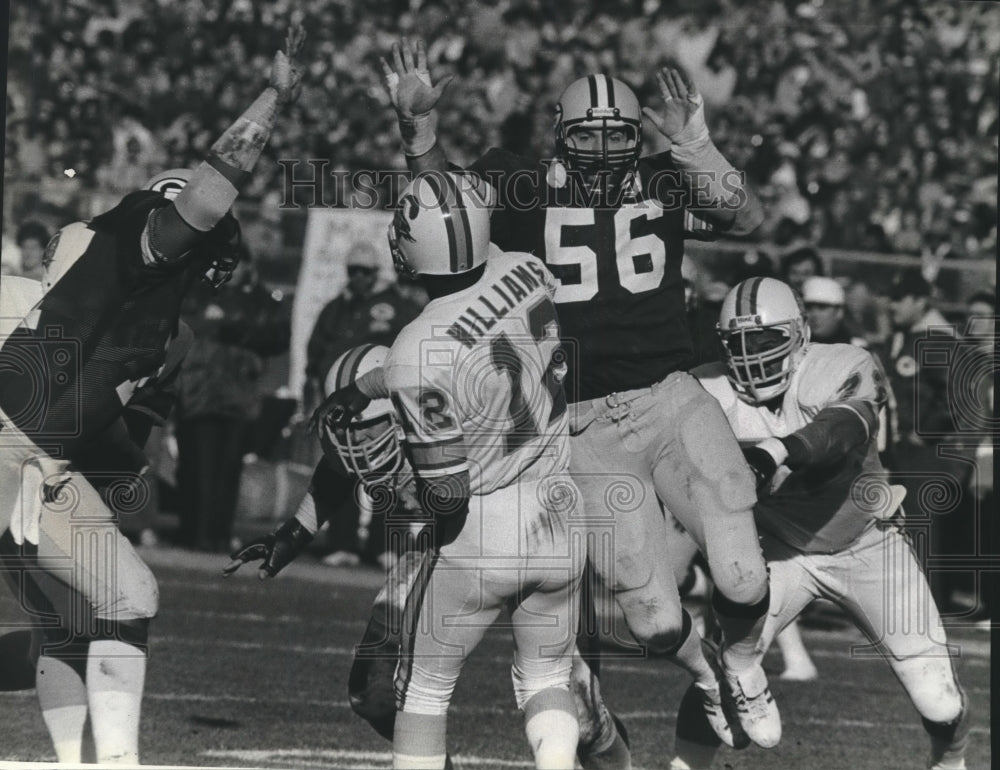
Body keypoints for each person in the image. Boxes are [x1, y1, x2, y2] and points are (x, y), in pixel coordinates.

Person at [381, 39, 779, 748]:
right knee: (654, 621)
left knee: (744, 578)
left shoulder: (665, 176)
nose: (600, 149)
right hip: (585, 423)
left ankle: (745, 663)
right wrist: (421, 138)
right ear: (559, 136)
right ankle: (708, 664)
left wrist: (697, 144)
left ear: (638, 139)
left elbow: (750, 219)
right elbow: (448, 212)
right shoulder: (523, 186)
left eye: (616, 135)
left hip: (671, 397)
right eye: (586, 135)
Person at [0, 27, 304, 764]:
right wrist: (274, 98)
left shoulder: (138, 298)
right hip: (13, 444)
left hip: (42, 456)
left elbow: (96, 407)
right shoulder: (150, 244)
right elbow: (207, 194)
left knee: (120, 600)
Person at [227, 339, 632, 770]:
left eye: (365, 431)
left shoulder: (456, 416)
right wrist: (292, 534)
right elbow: (336, 469)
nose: (355, 445)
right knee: (375, 693)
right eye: (346, 431)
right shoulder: (397, 415)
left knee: (583, 719)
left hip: (530, 532)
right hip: (442, 544)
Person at [317, 171, 590, 768]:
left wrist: (398, 483)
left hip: (485, 531)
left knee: (423, 692)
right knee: (545, 677)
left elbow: (446, 494)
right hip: (561, 510)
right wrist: (372, 382)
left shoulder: (418, 347)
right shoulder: (525, 268)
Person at [669, 277, 970, 770]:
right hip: (779, 550)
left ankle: (952, 761)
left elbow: (842, 430)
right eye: (741, 343)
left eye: (767, 340)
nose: (753, 355)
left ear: (801, 334)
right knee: (727, 674)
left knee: (939, 700)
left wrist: (776, 451)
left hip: (866, 544)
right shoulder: (706, 388)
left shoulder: (842, 364)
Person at [304, 241, 424, 567]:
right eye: (352, 271)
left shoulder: (397, 306)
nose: (357, 277)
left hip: (383, 403)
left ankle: (385, 544)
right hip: (341, 402)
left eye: (364, 271)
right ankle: (342, 542)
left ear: (375, 273)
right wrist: (313, 390)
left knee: (390, 468)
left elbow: (413, 347)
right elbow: (315, 354)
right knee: (344, 468)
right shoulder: (335, 309)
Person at [174, 245, 290, 552]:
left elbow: (278, 336)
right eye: (226, 264)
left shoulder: (261, 301)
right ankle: (194, 533)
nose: (232, 270)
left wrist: (233, 328)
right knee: (196, 467)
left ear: (250, 267)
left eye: (238, 264)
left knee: (227, 470)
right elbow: (179, 328)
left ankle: (218, 535)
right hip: (198, 392)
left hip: (238, 396)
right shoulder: (198, 293)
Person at [880, 272, 968, 613]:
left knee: (921, 532)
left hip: (923, 454)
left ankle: (925, 610)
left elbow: (955, 395)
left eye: (901, 298)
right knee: (902, 529)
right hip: (902, 451)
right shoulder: (905, 336)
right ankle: (907, 606)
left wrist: (926, 431)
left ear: (920, 302)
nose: (892, 305)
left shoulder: (934, 339)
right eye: (891, 297)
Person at [801, 276, 868, 347]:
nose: (814, 314)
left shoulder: (858, 349)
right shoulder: (794, 350)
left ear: (839, 312)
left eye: (822, 307)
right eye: (808, 307)